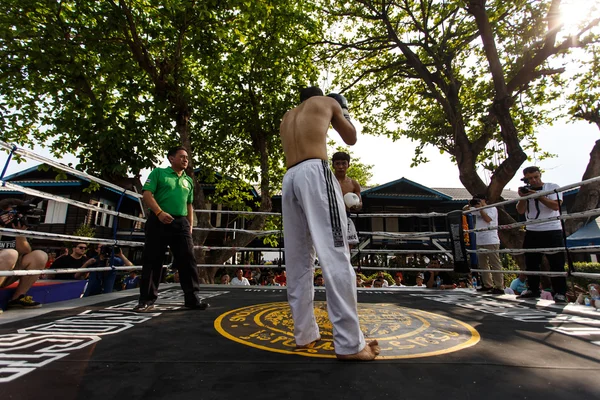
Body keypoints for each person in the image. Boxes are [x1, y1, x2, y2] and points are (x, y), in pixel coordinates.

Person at [279, 86, 379, 361]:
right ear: (320, 96)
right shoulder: (327, 102)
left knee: (298, 261)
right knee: (336, 255)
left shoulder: (287, 117)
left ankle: (304, 335)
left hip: (289, 179)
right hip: (315, 174)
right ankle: (350, 345)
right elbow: (351, 138)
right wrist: (342, 109)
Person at [134, 146, 208, 312]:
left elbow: (189, 204)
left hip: (180, 223)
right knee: (153, 260)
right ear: (171, 158)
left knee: (188, 260)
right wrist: (159, 213)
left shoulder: (188, 180)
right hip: (158, 220)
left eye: (187, 157)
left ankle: (192, 299)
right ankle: (146, 300)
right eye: (181, 156)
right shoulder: (159, 173)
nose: (185, 160)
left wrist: (189, 226)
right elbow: (147, 194)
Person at [516, 166, 567, 303]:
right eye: (530, 178)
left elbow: (556, 206)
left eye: (536, 177)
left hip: (551, 229)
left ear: (540, 175)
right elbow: (520, 211)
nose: (534, 180)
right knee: (531, 262)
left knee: (556, 263)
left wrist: (537, 195)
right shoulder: (525, 191)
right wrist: (523, 197)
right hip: (532, 230)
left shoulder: (552, 187)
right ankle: (533, 289)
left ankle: (560, 292)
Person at [0, 198, 48, 309]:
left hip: (6, 273)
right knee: (10, 254)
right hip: (3, 263)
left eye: (17, 215)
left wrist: (19, 233)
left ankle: (17, 298)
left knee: (40, 255)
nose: (14, 218)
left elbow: (25, 252)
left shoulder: (17, 227)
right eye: (11, 214)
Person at [467, 194, 504, 294]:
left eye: (479, 200)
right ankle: (487, 285)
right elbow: (465, 210)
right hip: (480, 240)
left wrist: (481, 209)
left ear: (484, 200)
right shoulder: (476, 209)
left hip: (491, 240)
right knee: (483, 264)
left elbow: (488, 219)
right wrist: (470, 204)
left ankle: (499, 286)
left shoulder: (491, 208)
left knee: (494, 263)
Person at [332, 151, 361, 247]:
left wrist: (355, 205)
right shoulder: (327, 181)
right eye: (337, 163)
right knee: (331, 247)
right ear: (333, 165)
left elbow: (360, 204)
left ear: (348, 165)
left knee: (348, 247)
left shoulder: (353, 184)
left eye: (343, 163)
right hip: (330, 217)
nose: (340, 167)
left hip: (346, 217)